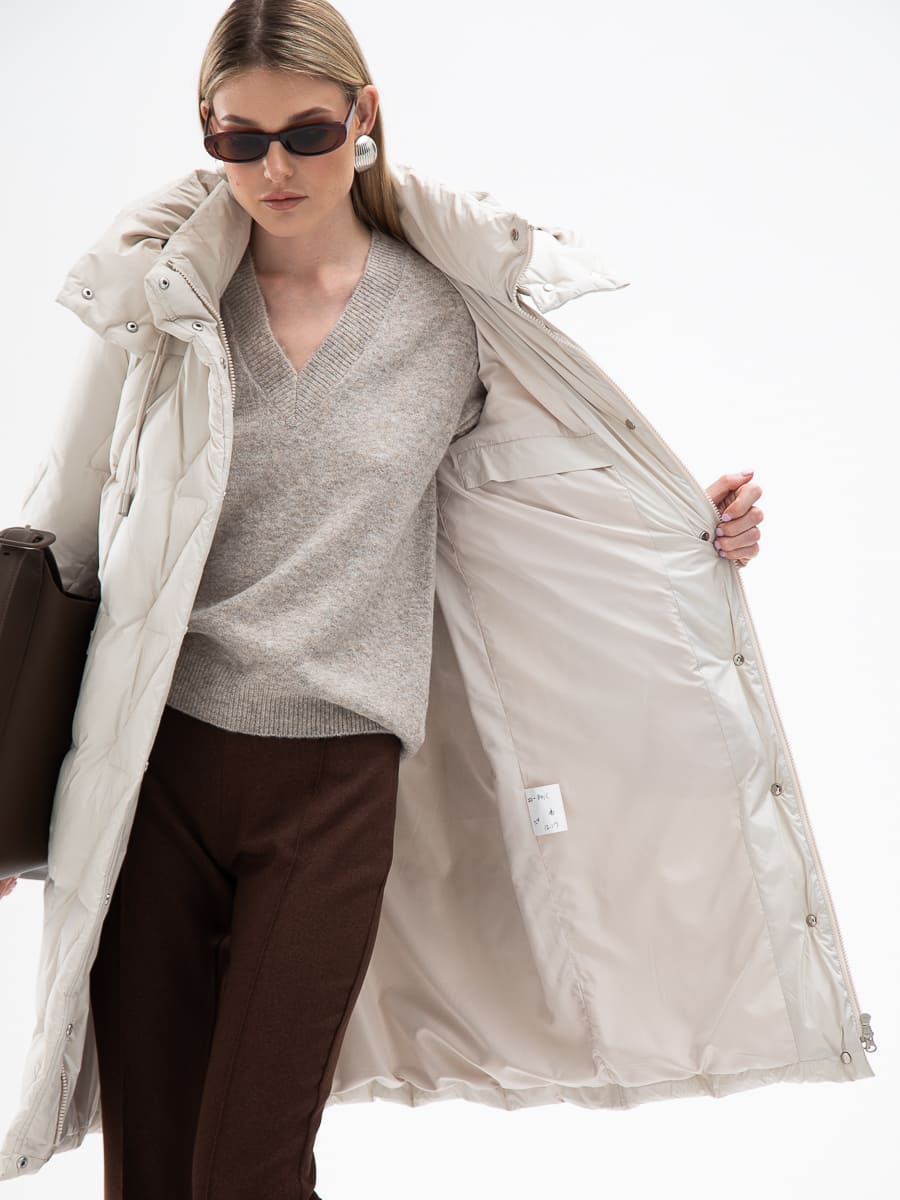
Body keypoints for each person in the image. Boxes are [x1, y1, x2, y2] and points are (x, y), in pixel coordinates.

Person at [1, 1, 768, 1196]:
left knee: (249, 1169)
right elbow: (64, 527)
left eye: (307, 133)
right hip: (155, 772)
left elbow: (556, 483)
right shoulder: (165, 301)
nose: (274, 169)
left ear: (363, 115)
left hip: (336, 786)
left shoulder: (446, 316)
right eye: (238, 139)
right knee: (151, 1168)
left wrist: (694, 523)